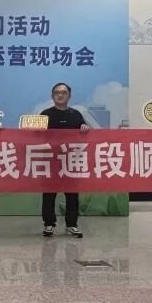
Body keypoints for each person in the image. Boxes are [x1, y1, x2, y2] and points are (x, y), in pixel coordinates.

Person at [40, 82, 89, 239]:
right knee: (49, 194)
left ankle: (71, 225)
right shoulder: (45, 115)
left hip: (70, 161)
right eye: (57, 92)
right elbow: (34, 136)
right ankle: (49, 224)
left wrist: (84, 128)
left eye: (63, 92)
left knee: (72, 194)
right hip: (50, 161)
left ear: (69, 95)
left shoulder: (76, 115)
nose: (60, 95)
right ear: (52, 96)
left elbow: (84, 134)